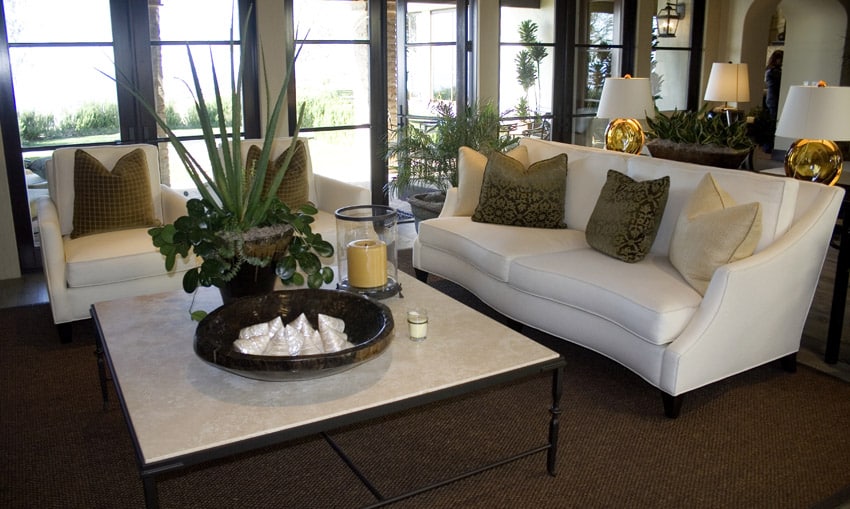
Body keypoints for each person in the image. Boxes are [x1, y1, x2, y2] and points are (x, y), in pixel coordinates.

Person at [763, 50, 783, 152]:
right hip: (773, 99)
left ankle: (768, 146)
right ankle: (768, 146)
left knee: (772, 122)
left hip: (771, 98)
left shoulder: (770, 70)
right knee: (772, 123)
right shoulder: (774, 72)